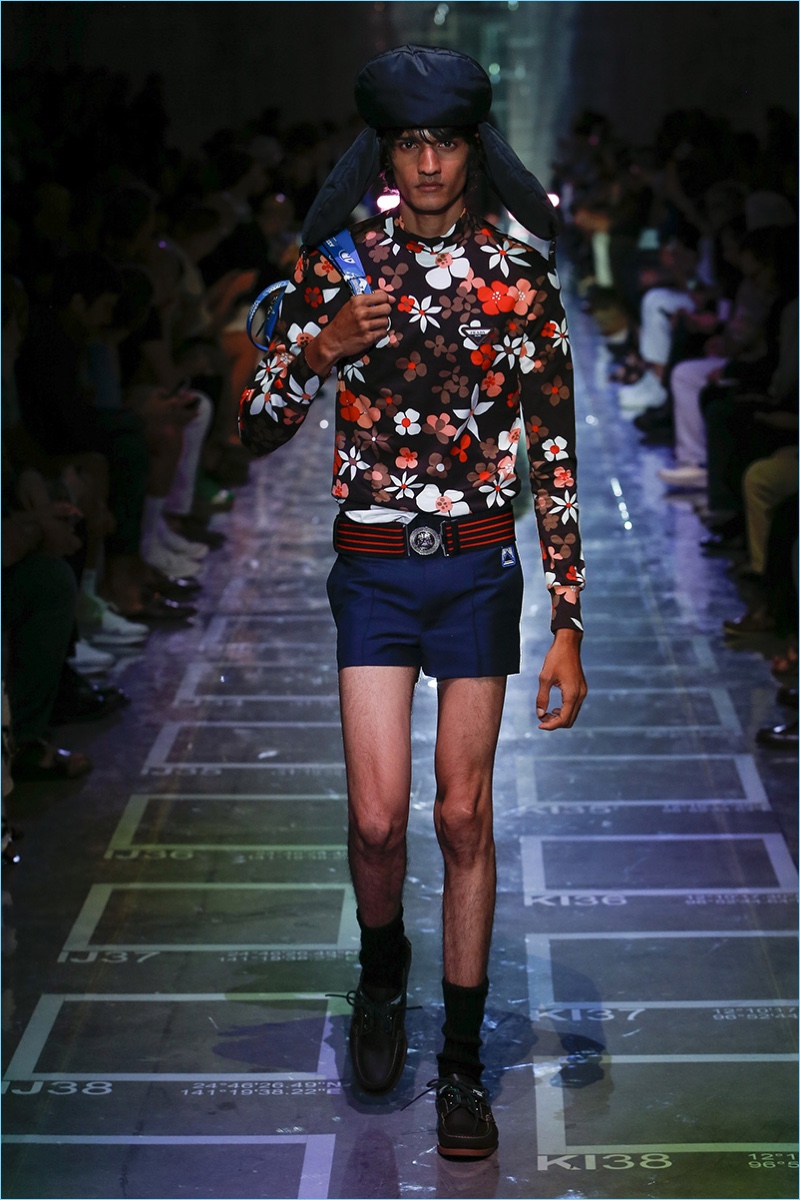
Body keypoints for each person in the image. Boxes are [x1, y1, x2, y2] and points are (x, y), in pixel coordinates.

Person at [239, 45, 587, 1161]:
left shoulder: (518, 275)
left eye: (444, 142)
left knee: (463, 817)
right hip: (376, 568)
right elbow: (252, 426)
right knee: (380, 820)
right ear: (384, 152)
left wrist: (568, 620)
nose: (428, 161)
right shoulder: (338, 267)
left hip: (477, 567)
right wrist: (317, 346)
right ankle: (382, 970)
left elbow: (554, 453)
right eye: (408, 143)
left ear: (472, 149)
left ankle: (462, 1068)